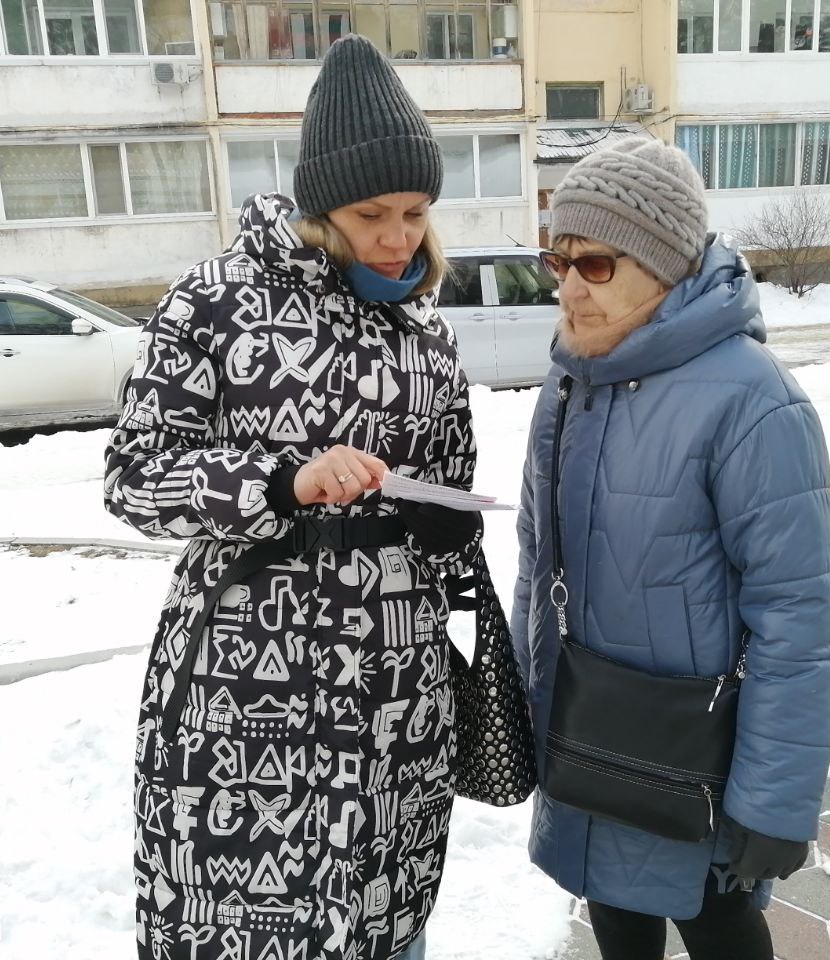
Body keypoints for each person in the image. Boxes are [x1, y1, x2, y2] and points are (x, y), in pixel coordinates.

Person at [104, 34, 481, 960]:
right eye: (372, 213)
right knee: (246, 924)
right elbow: (135, 476)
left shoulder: (424, 329)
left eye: (416, 213)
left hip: (397, 683)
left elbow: (451, 484)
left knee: (386, 918)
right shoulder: (214, 302)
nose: (398, 238)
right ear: (320, 208)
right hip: (247, 685)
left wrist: (442, 520)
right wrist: (281, 482)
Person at [510, 136, 830, 960]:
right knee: (615, 916)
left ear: (662, 265)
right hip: (586, 743)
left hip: (695, 762)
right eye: (559, 262)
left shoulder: (754, 401)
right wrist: (525, 705)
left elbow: (796, 618)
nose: (569, 288)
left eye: (596, 264)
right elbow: (535, 565)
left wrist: (774, 803)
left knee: (718, 928)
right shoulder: (568, 384)